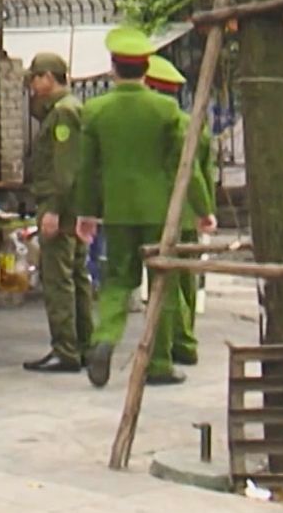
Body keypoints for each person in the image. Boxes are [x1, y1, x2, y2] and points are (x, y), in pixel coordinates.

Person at [74, 28, 215, 388]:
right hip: (161, 212)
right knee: (162, 285)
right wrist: (203, 208)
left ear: (113, 67)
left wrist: (86, 213)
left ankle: (105, 339)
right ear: (146, 68)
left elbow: (87, 169)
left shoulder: (95, 110)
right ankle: (159, 362)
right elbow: (183, 166)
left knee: (117, 281)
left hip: (117, 212)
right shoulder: (166, 110)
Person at [22, 52, 93, 374]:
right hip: (75, 207)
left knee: (58, 279)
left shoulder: (64, 113)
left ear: (48, 78)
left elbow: (64, 169)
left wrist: (52, 210)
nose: (32, 85)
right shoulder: (67, 108)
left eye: (35, 78)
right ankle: (84, 345)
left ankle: (65, 349)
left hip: (61, 207)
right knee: (76, 276)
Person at [145, 55, 214, 367]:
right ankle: (185, 341)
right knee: (187, 279)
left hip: (161, 212)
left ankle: (172, 343)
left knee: (165, 283)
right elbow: (205, 171)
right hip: (190, 211)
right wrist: (206, 210)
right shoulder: (194, 124)